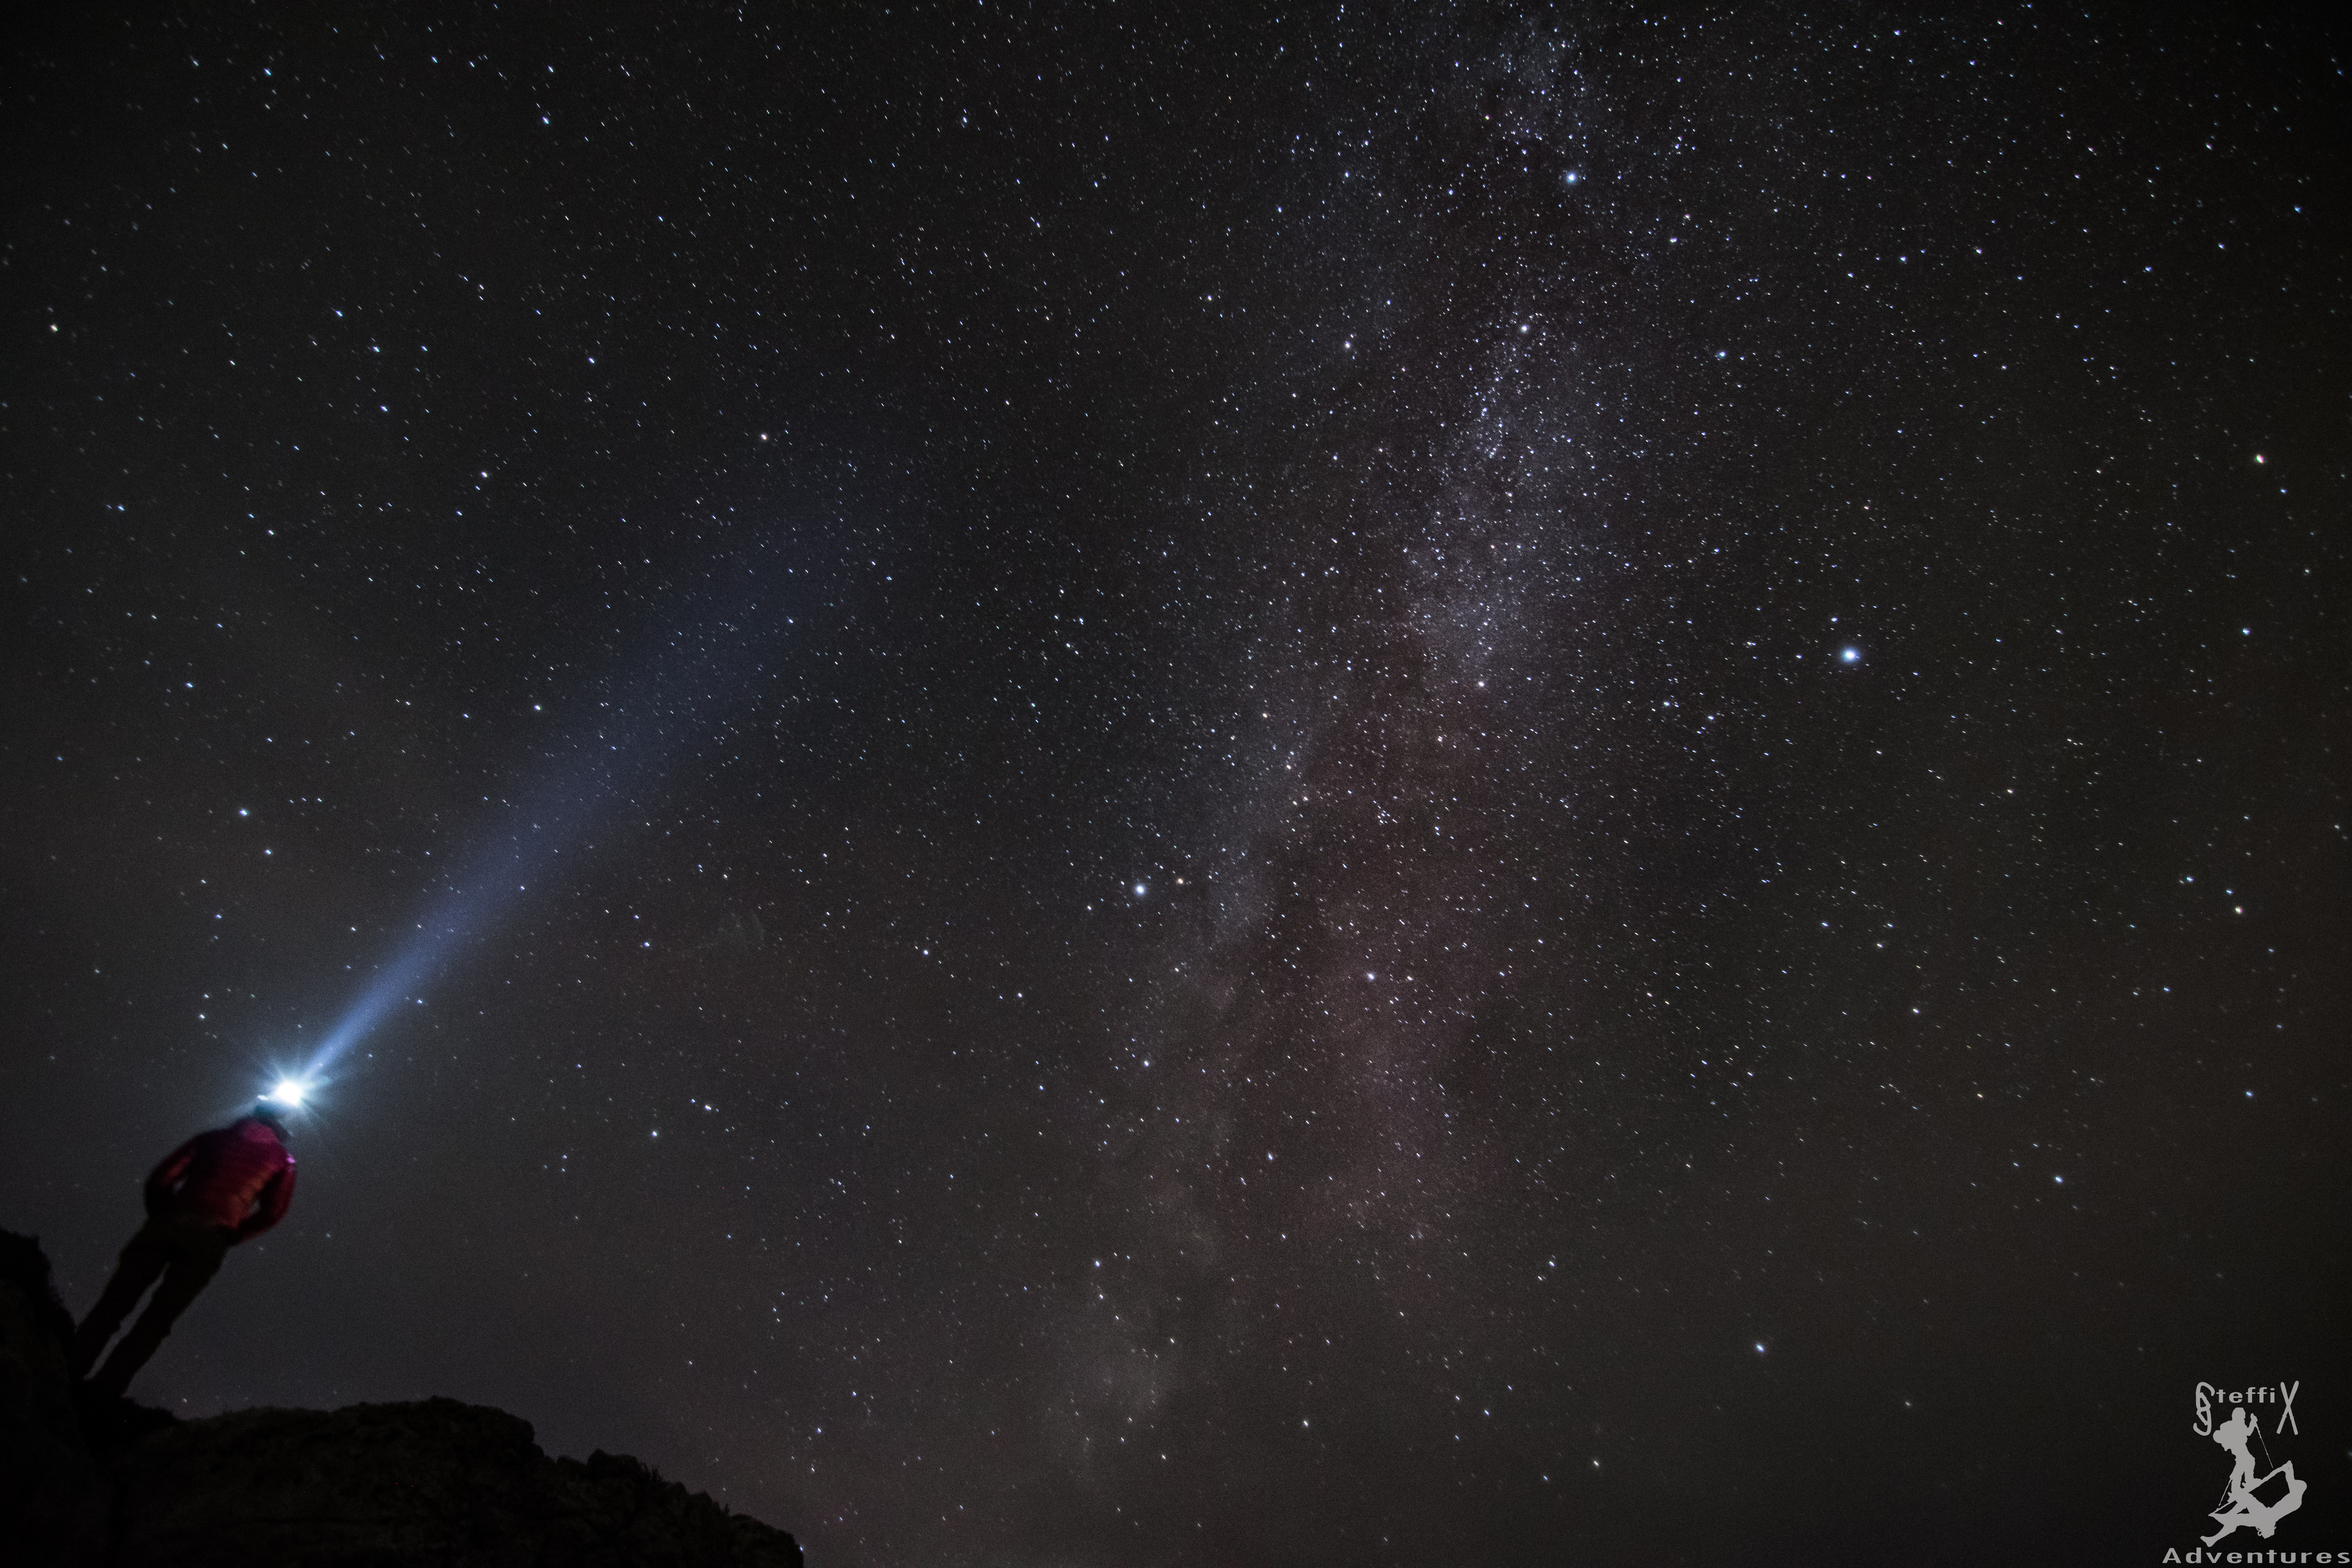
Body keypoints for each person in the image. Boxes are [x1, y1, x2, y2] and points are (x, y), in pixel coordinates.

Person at [71, 1100, 297, 1399]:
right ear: (281, 1124)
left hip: (169, 1222)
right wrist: (230, 1235)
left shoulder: (211, 1139)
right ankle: (102, 1394)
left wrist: (163, 1215)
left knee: (114, 1302)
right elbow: (272, 1213)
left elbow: (161, 1178)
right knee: (158, 1319)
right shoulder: (282, 1160)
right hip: (211, 1240)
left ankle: (67, 1370)